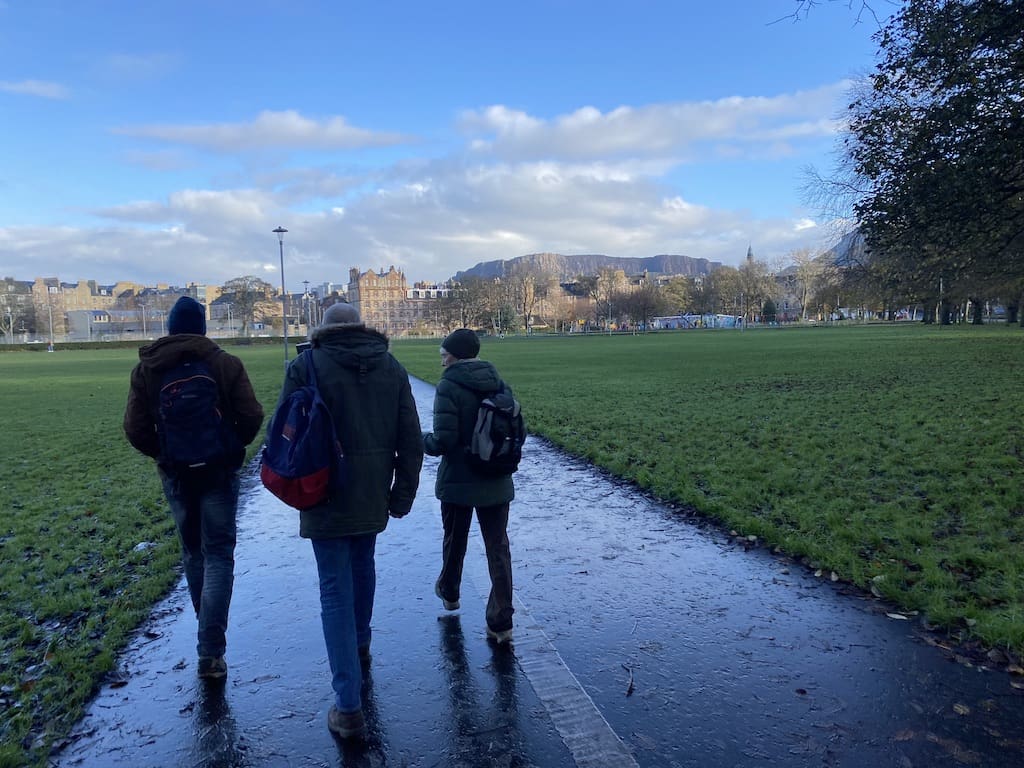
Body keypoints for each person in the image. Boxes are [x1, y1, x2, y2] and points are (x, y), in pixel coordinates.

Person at [271, 302, 422, 740]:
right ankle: (360, 643)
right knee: (363, 565)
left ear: (323, 330)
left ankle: (348, 705)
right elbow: (410, 438)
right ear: (362, 326)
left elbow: (283, 433)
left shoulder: (305, 365)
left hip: (323, 490)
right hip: (372, 490)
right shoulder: (390, 366)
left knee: (334, 590)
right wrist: (402, 494)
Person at [123, 295, 264, 680]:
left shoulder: (147, 369)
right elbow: (252, 415)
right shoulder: (224, 363)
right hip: (218, 471)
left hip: (177, 475)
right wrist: (231, 446)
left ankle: (207, 635)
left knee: (194, 553)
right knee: (219, 554)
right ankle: (211, 650)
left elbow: (135, 429)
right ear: (202, 327)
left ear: (170, 327)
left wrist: (165, 454)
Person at [423, 328, 517, 645]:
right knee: (498, 549)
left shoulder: (449, 385)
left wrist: (422, 441)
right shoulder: (499, 381)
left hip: (459, 480)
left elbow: (443, 440)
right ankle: (501, 621)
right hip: (496, 477)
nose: (441, 361)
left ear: (455, 355)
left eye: (444, 354)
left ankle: (450, 591)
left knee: (455, 539)